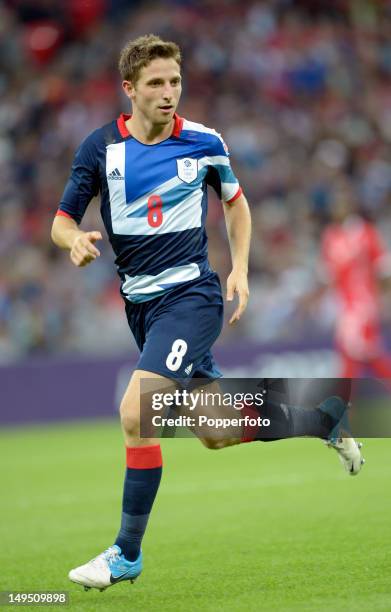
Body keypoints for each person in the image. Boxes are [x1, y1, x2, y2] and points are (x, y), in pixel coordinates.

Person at [51, 35, 363, 593]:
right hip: (142, 307)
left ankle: (125, 554)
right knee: (214, 431)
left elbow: (235, 203)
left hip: (191, 297)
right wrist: (73, 239)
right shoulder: (99, 150)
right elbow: (61, 220)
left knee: (136, 411)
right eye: (156, 83)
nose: (169, 92)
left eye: (174, 80)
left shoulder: (203, 142)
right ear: (130, 90)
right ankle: (321, 414)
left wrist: (239, 268)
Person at [319, 184, 391, 378]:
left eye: (342, 203)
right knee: (366, 351)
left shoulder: (366, 233)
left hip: (363, 302)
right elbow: (329, 276)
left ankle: (342, 404)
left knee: (352, 349)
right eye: (335, 204)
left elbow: (383, 269)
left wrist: (383, 299)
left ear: (351, 206)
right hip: (343, 304)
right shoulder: (331, 236)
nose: (337, 208)